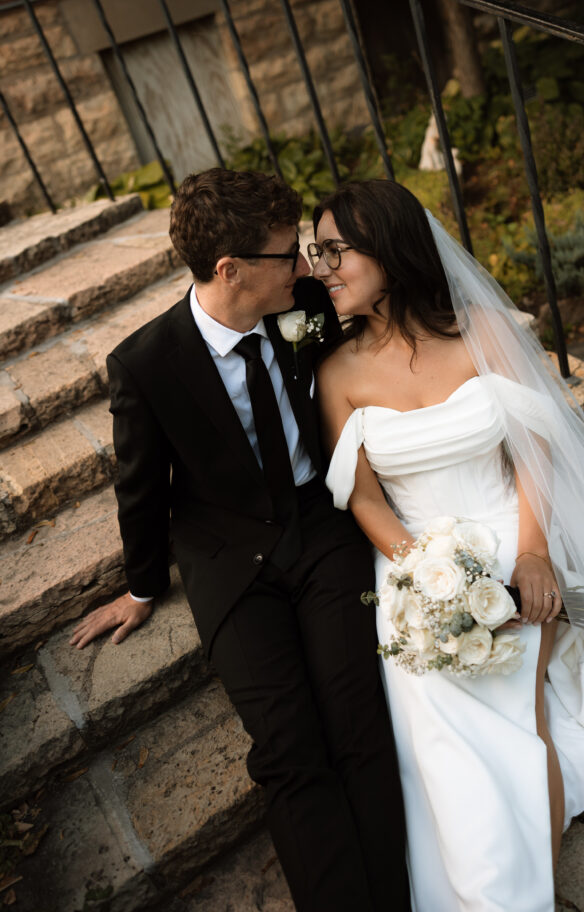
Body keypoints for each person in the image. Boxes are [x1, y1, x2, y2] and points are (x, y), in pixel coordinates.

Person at [310, 178, 584, 912]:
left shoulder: (482, 330)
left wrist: (533, 555)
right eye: (312, 252)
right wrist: (427, 577)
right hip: (413, 566)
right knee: (441, 734)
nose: (319, 267)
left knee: (520, 715)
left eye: (333, 251)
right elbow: (361, 495)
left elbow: (534, 450)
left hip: (517, 532)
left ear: (386, 250)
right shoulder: (336, 373)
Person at [69, 168, 411, 912]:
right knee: (287, 750)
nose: (303, 266)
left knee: (358, 726)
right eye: (285, 253)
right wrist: (141, 584)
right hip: (228, 557)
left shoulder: (306, 305)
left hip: (321, 527)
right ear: (229, 271)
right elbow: (141, 485)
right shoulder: (146, 362)